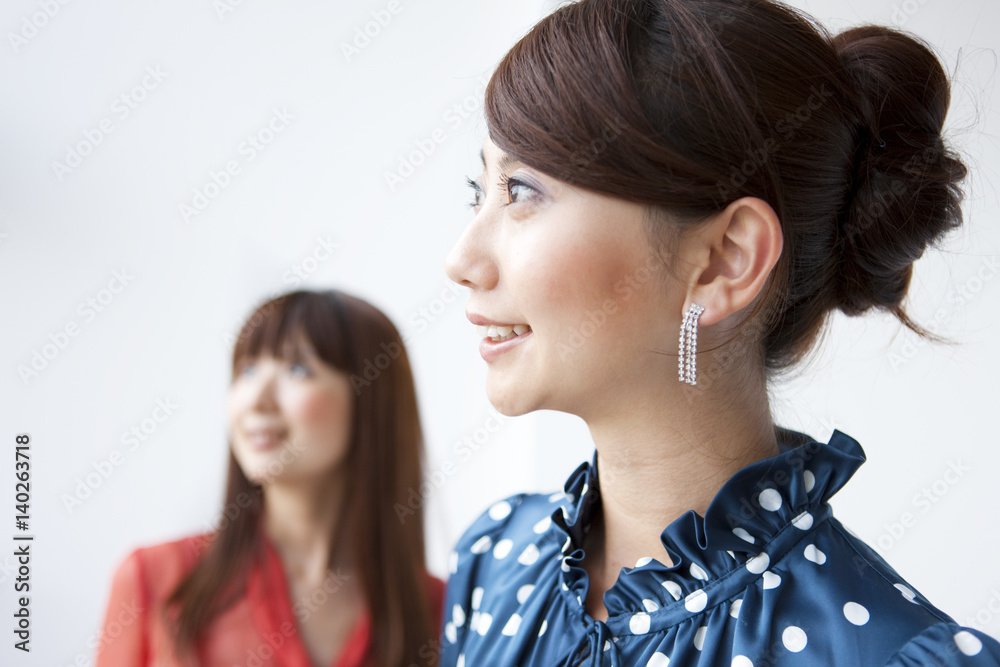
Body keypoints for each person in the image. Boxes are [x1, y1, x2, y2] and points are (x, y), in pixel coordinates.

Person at [439, 0, 1000, 664]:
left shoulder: (885, 653)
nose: (460, 260)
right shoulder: (492, 563)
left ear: (725, 259)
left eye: (523, 190)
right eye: (480, 189)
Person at [95, 289, 443, 667]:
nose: (256, 399)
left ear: (371, 399)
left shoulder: (441, 611)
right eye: (246, 370)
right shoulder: (156, 578)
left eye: (297, 369)